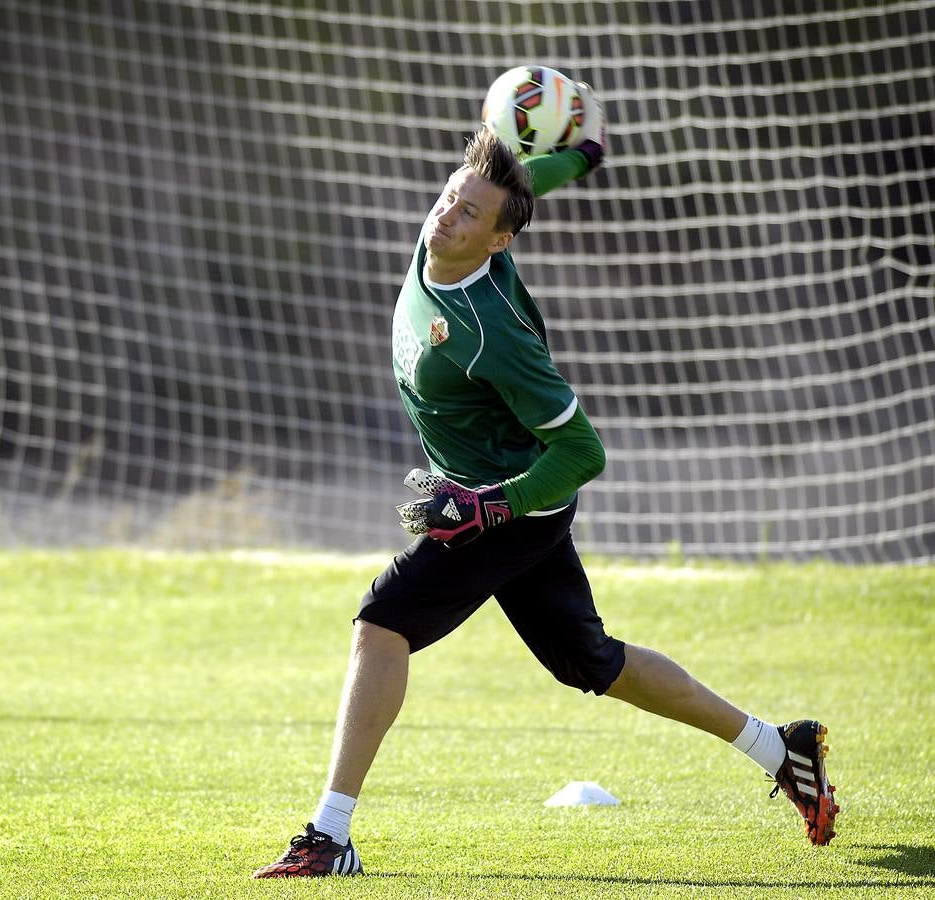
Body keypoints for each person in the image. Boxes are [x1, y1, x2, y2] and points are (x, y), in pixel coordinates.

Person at [252, 85, 839, 879]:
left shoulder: (491, 332)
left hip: (508, 507)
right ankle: (780, 746)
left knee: (380, 622)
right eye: (449, 197)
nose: (446, 215)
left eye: (468, 214)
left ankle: (329, 834)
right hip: (492, 500)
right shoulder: (449, 238)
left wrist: (488, 504)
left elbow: (582, 453)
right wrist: (582, 156)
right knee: (591, 662)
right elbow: (515, 189)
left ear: (497, 243)